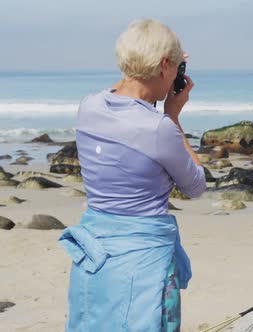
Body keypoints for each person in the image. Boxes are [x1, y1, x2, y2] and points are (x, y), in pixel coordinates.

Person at [58, 19, 207, 332]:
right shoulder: (159, 128)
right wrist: (173, 116)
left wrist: (162, 66)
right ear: (166, 65)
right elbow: (196, 185)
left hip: (94, 259)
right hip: (143, 267)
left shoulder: (88, 107)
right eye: (174, 66)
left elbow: (128, 104)